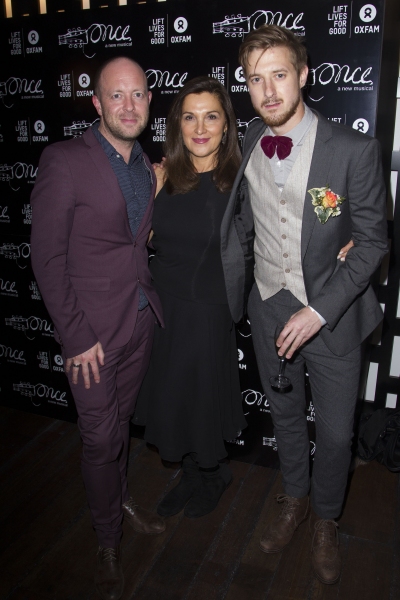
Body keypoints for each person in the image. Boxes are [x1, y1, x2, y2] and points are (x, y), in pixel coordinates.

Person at [220, 25, 388, 585]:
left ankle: (326, 518)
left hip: (331, 317)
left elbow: (373, 242)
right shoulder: (246, 137)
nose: (267, 91)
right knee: (286, 416)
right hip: (268, 303)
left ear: (304, 76)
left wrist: (321, 308)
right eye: (255, 78)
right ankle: (293, 497)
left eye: (279, 75)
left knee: (337, 434)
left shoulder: (355, 150)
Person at [31, 57, 166, 600]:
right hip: (90, 337)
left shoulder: (146, 167)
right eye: (116, 96)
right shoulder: (64, 160)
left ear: (149, 102)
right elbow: (46, 259)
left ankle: (118, 496)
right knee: (101, 436)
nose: (128, 106)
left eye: (138, 95)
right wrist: (75, 336)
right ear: (96, 103)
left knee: (123, 422)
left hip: (139, 321)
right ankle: (106, 536)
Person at [134, 76, 247, 519]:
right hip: (164, 303)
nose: (200, 127)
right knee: (172, 391)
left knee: (201, 395)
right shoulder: (163, 175)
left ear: (226, 125)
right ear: (177, 125)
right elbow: (142, 238)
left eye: (211, 116)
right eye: (189, 116)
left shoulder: (241, 180)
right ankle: (191, 470)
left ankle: (212, 471)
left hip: (209, 305)